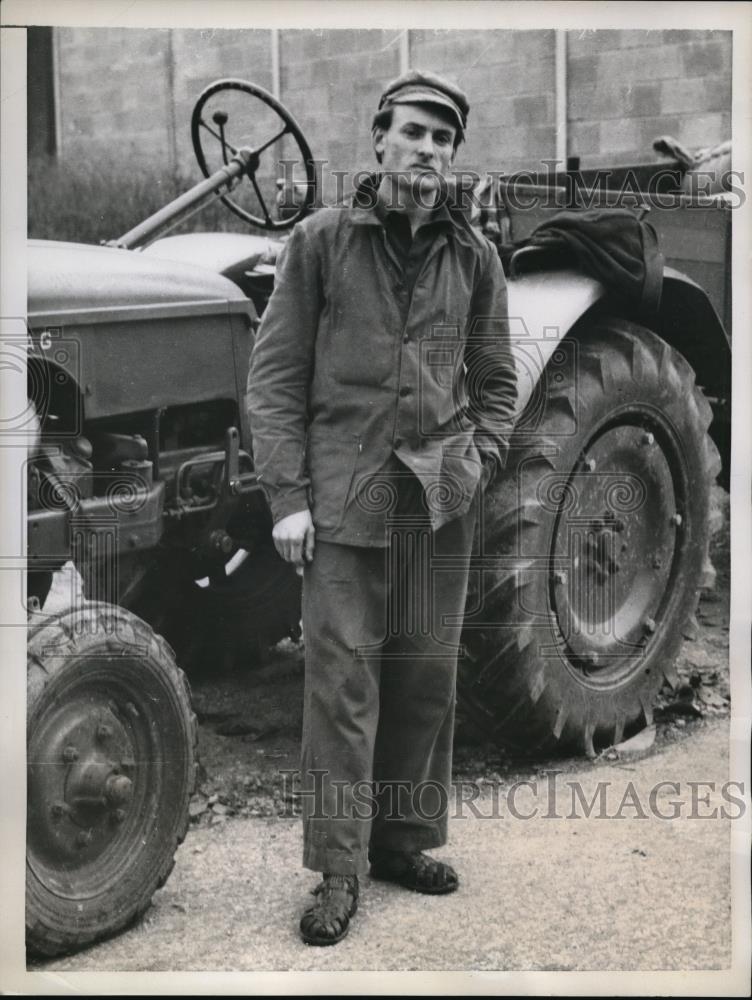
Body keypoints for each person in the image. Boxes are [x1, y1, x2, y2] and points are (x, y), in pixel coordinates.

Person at [247, 69, 517, 945]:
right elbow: (276, 379)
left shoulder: (473, 256)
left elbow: (499, 380)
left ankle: (401, 841)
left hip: (438, 501)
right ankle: (337, 869)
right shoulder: (323, 242)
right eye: (414, 132)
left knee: (424, 679)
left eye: (443, 139)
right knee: (342, 685)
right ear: (379, 140)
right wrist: (288, 498)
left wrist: (478, 459)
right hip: (340, 504)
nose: (428, 149)